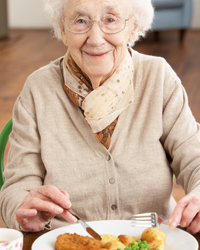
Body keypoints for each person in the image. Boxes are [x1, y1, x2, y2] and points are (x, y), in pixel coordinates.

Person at [1, 0, 200, 235]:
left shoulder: (158, 77)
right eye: (80, 21)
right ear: (63, 30)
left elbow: (194, 159)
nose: (95, 39)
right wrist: (23, 209)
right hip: (67, 242)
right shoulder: (38, 89)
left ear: (134, 27)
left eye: (110, 19)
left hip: (153, 239)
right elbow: (16, 188)